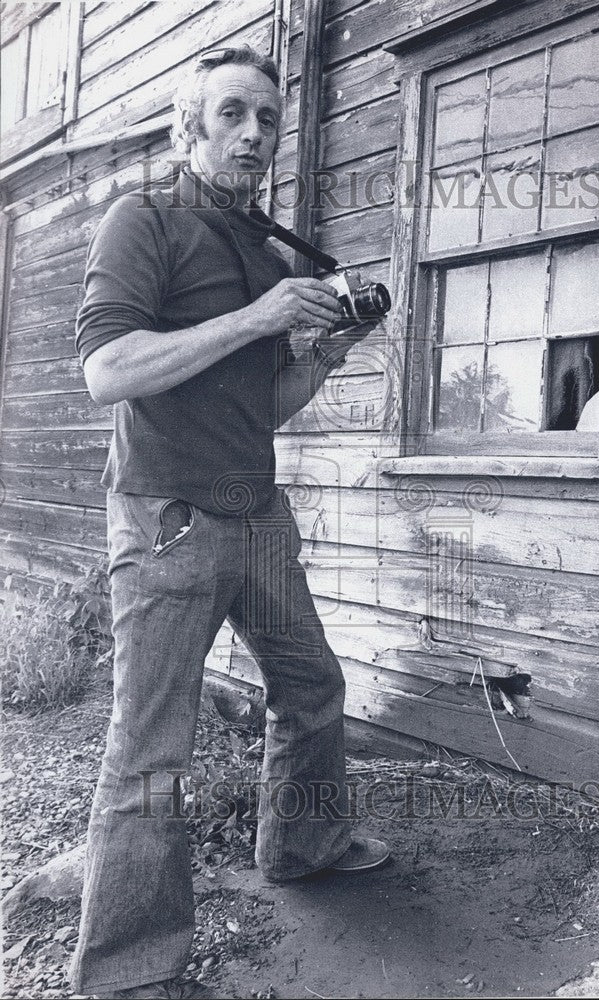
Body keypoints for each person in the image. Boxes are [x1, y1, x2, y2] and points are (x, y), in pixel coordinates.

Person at [69, 44, 389, 1000]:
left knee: (313, 685)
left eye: (269, 122)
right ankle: (130, 973)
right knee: (150, 748)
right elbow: (107, 372)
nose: (255, 135)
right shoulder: (144, 221)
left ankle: (303, 844)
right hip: (167, 521)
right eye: (233, 115)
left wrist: (321, 358)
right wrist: (256, 319)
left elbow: (261, 402)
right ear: (189, 127)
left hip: (258, 516)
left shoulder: (262, 246)